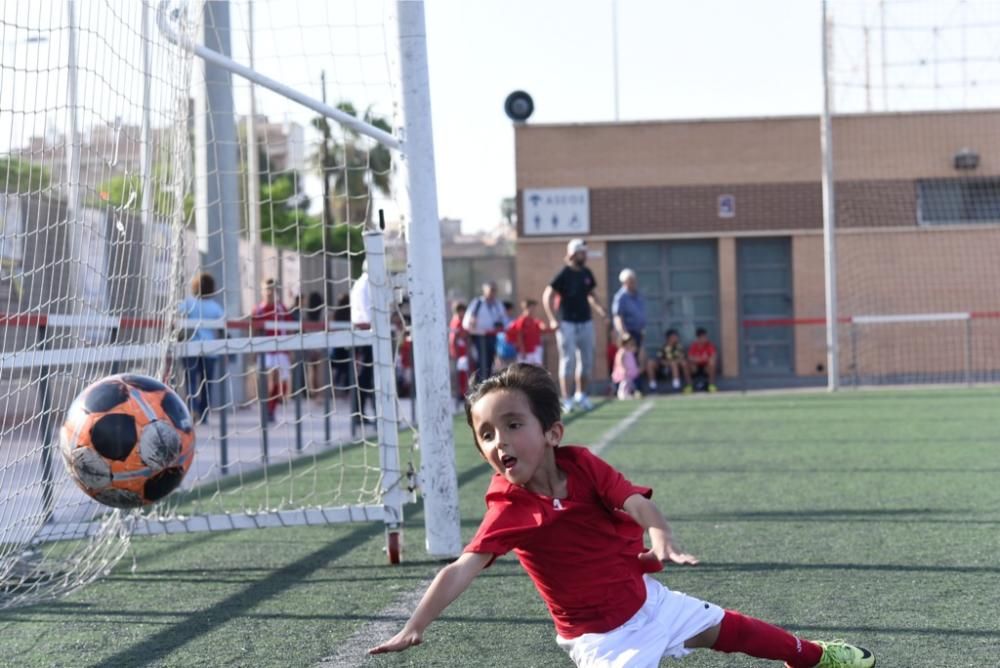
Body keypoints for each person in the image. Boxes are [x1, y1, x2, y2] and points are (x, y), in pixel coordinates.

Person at [369, 363, 876, 668]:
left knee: (733, 631)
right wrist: (415, 625)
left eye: (512, 423)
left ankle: (813, 656)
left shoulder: (583, 465)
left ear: (552, 433)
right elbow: (460, 568)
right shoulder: (508, 506)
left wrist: (660, 534)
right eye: (486, 434)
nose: (499, 440)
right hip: (602, 641)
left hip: (647, 601)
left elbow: (636, 503)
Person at [542, 238, 608, 413]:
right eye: (582, 252)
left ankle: (581, 395)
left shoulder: (587, 273)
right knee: (568, 360)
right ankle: (567, 399)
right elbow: (547, 295)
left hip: (585, 321)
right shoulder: (564, 274)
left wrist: (601, 310)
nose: (584, 255)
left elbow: (591, 294)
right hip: (567, 323)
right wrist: (552, 319)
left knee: (586, 361)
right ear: (573, 253)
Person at [178, 271, 224, 423]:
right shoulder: (215, 307)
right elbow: (222, 328)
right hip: (210, 350)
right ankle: (204, 414)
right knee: (206, 383)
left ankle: (192, 409)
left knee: (190, 381)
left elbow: (177, 317)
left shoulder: (188, 303)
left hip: (190, 347)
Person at [252, 277, 293, 423]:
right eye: (266, 289)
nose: (269, 292)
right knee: (265, 381)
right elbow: (254, 331)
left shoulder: (282, 309)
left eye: (271, 289)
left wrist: (289, 349)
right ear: (262, 291)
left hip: (280, 350)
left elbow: (289, 329)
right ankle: (266, 407)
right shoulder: (258, 309)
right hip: (265, 351)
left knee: (276, 380)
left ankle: (271, 409)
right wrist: (254, 351)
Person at [349, 261, 376, 434]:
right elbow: (367, 311)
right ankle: (358, 412)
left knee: (366, 377)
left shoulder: (361, 282)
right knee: (364, 377)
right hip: (365, 332)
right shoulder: (365, 284)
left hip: (364, 331)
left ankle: (361, 411)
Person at [462, 281, 509, 382]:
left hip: (494, 337)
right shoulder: (477, 303)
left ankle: (488, 383)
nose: (493, 292)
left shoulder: (498, 304)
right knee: (482, 362)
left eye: (494, 290)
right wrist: (476, 328)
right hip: (480, 338)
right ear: (485, 290)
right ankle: (479, 384)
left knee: (493, 362)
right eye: (491, 290)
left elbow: (505, 320)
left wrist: (500, 327)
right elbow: (466, 322)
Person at [505, 298, 550, 366]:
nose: (534, 310)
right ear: (527, 308)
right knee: (524, 372)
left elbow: (541, 329)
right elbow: (519, 335)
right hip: (525, 353)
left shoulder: (533, 320)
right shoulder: (522, 320)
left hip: (533, 351)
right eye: (532, 308)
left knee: (537, 371)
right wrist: (522, 351)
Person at [611, 268, 647, 349]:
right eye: (631, 281)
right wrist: (623, 333)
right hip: (628, 334)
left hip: (638, 332)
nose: (633, 283)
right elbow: (617, 317)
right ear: (624, 282)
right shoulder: (620, 297)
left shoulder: (638, 295)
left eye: (634, 280)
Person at [646, 328, 691, 392]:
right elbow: (659, 359)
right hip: (663, 368)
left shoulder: (679, 347)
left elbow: (682, 358)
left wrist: (672, 362)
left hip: (676, 368)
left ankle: (677, 386)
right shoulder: (664, 347)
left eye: (676, 337)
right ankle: (652, 385)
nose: (676, 338)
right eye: (674, 337)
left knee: (674, 363)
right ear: (669, 338)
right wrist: (666, 363)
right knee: (650, 362)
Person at [329, 292, 352, 395]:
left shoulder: (337, 313)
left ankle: (337, 386)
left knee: (340, 368)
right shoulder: (350, 313)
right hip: (347, 345)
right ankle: (346, 388)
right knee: (346, 367)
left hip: (338, 345)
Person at [449, 301, 471, 407]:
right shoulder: (457, 322)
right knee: (461, 373)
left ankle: (463, 392)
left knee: (464, 372)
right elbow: (453, 338)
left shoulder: (459, 321)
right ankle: (461, 393)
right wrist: (454, 351)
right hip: (460, 352)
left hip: (463, 351)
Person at [687, 327, 719, 393]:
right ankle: (689, 386)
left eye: (705, 337)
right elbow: (690, 357)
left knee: (712, 362)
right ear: (698, 338)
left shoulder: (709, 345)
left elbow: (713, 357)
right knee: (686, 364)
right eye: (703, 337)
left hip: (706, 368)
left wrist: (699, 359)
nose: (705, 339)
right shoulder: (694, 346)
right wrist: (702, 359)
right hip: (695, 368)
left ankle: (711, 385)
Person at [612, 333, 641, 400]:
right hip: (625, 370)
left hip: (630, 371)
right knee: (624, 382)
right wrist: (622, 368)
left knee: (629, 383)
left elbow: (635, 350)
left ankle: (627, 393)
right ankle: (621, 393)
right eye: (627, 342)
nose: (629, 344)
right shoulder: (622, 351)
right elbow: (619, 360)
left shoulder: (630, 350)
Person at [493, 301, 518, 370]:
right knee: (501, 370)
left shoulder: (513, 320)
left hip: (512, 350)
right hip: (501, 350)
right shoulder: (498, 321)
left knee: (512, 370)